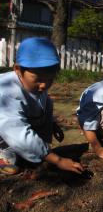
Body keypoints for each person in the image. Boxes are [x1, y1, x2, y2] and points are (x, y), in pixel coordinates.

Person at [0, 37, 84, 175]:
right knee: (15, 159)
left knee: (47, 102)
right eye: (38, 79)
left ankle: (38, 152)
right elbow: (17, 132)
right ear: (18, 70)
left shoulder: (34, 86)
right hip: (6, 129)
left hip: (14, 127)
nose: (44, 85)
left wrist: (51, 124)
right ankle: (5, 154)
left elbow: (40, 106)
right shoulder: (6, 92)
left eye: (50, 79)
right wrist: (57, 160)